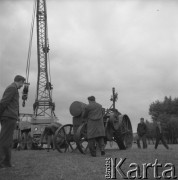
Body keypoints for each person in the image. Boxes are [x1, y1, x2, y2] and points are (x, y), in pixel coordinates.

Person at [0, 75, 25, 169]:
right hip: (8, 117)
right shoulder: (12, 88)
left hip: (11, 117)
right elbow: (3, 102)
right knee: (5, 141)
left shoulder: (14, 88)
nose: (22, 86)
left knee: (8, 141)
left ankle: (6, 163)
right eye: (22, 83)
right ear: (20, 81)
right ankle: (2, 163)